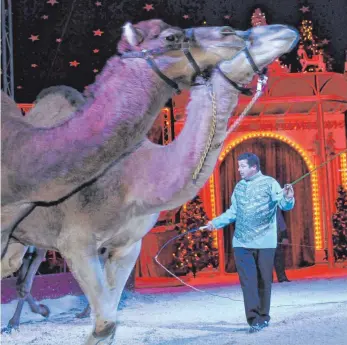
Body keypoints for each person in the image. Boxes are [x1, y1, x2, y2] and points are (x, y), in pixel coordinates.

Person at [206, 152, 295, 333]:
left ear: (254, 167)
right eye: (238, 166)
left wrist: (288, 197)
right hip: (241, 243)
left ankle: (263, 317)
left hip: (265, 242)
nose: (239, 169)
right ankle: (253, 319)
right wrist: (215, 223)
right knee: (248, 282)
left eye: (242, 166)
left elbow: (284, 205)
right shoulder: (239, 187)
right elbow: (233, 212)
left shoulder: (270, 183)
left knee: (264, 281)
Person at [274, 209, 291, 282]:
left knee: (279, 257)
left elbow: (281, 222)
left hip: (276, 237)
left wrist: (284, 236)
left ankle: (282, 277)